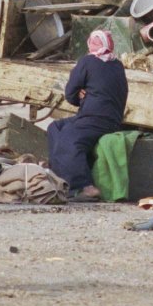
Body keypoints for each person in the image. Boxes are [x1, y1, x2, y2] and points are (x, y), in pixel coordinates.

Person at [47, 30, 128, 202]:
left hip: (93, 118)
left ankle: (85, 186)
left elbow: (70, 93)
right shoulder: (118, 65)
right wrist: (85, 95)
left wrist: (79, 96)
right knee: (55, 127)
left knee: (68, 140)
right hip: (112, 120)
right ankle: (59, 179)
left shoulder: (87, 61)